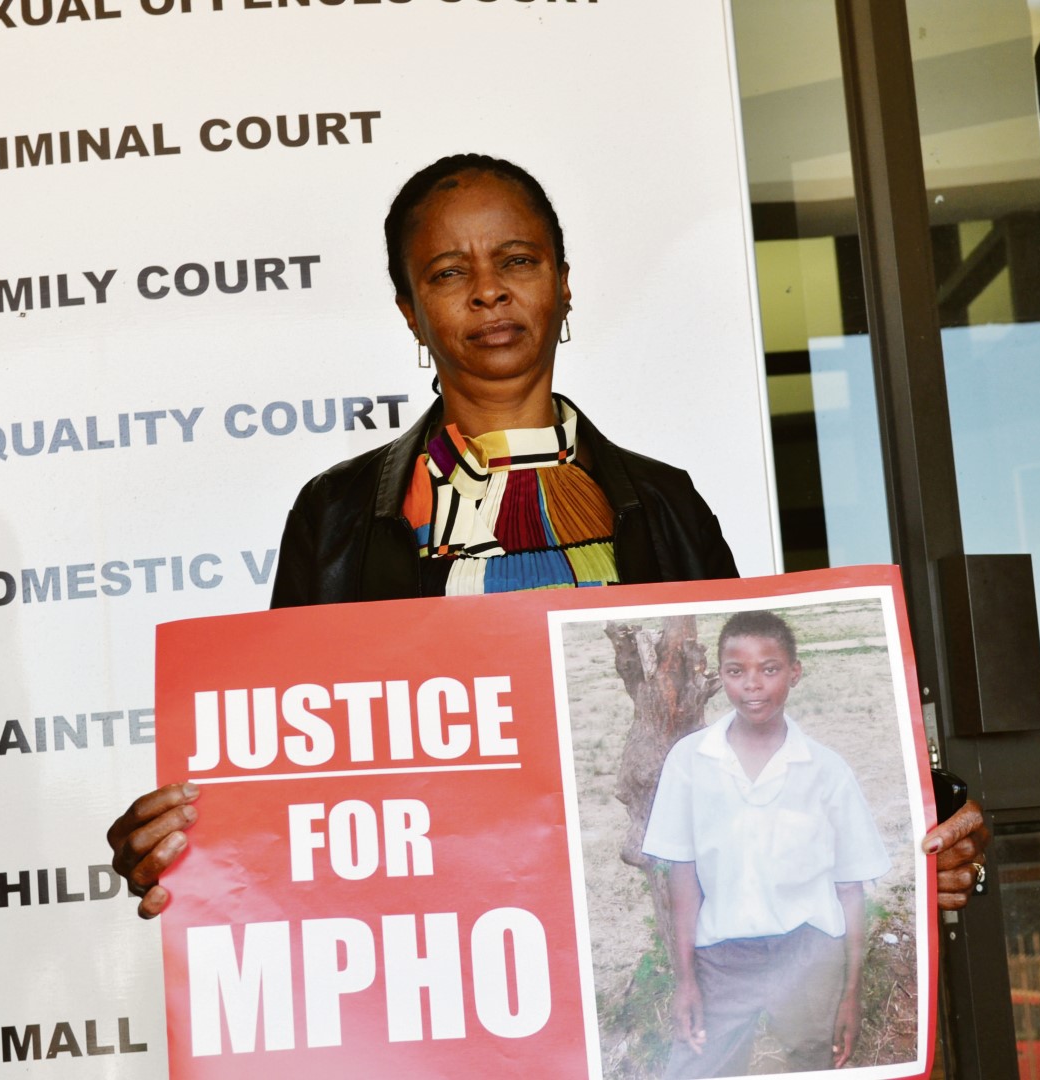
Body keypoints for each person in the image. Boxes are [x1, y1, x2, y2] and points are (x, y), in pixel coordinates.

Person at [106, 152, 990, 920]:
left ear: (563, 283)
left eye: (517, 260)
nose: (488, 289)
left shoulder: (664, 504)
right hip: (430, 932)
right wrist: (187, 848)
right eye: (448, 272)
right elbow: (288, 770)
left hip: (629, 915)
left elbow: (741, 719)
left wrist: (923, 818)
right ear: (410, 311)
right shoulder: (337, 518)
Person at [644, 611, 889, 1076]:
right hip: (722, 957)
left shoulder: (826, 770)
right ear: (719, 675)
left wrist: (851, 994)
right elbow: (683, 877)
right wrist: (686, 981)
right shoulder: (690, 761)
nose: (752, 684)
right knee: (696, 1069)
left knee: (812, 1062)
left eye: (769, 669)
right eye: (737, 671)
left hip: (808, 952)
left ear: (794, 672)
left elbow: (849, 887)